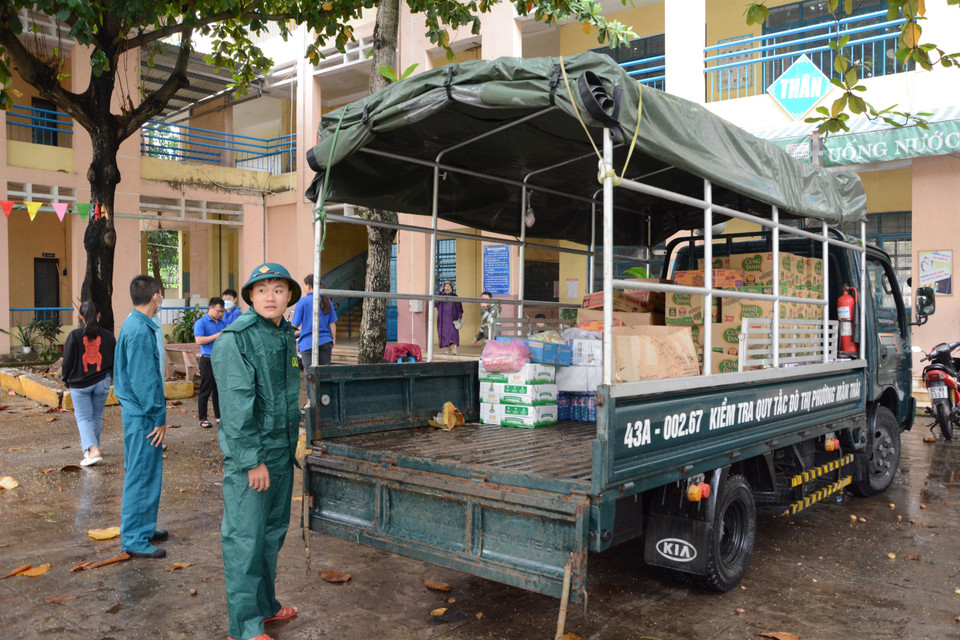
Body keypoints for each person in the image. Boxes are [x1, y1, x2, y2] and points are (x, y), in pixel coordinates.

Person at [212, 262, 303, 640]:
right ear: (250, 296)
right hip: (254, 460)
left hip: (281, 454)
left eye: (278, 289)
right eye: (262, 289)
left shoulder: (285, 335)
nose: (270, 296)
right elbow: (235, 409)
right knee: (245, 540)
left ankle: (265, 607)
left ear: (289, 298)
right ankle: (244, 626)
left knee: (270, 536)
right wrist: (252, 461)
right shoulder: (237, 338)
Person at [113, 275, 168, 559]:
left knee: (146, 472)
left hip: (139, 413)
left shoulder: (136, 324)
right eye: (162, 295)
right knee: (141, 473)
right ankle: (134, 537)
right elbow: (145, 380)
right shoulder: (138, 330)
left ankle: (143, 527)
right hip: (143, 415)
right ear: (156, 296)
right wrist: (159, 417)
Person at [62, 301, 116, 467]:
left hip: (80, 383)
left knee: (83, 417)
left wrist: (66, 380)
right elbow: (114, 359)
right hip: (102, 381)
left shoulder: (75, 335)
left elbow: (68, 361)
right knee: (96, 416)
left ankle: (92, 450)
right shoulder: (108, 336)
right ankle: (94, 447)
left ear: (81, 317)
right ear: (99, 315)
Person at [291, 274, 337, 409]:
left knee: (309, 374)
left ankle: (311, 402)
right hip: (324, 342)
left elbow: (294, 326)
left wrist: (296, 342)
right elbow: (332, 324)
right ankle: (325, 400)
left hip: (307, 344)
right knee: (324, 372)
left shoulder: (302, 302)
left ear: (308, 286)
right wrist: (333, 339)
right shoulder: (327, 301)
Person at [194, 297, 226, 429]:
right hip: (208, 359)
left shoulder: (222, 323)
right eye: (218, 311)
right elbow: (199, 340)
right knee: (205, 389)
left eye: (222, 312)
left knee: (218, 390)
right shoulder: (201, 323)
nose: (220, 314)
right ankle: (203, 418)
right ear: (211, 308)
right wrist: (216, 336)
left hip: (221, 359)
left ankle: (219, 416)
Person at [435, 280, 463, 355]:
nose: (447, 288)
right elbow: (435, 303)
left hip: (453, 318)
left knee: (454, 334)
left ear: (451, 287)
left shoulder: (455, 297)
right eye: (445, 286)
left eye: (448, 286)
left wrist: (460, 316)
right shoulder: (441, 296)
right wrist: (439, 293)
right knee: (445, 334)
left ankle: (455, 349)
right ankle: (448, 349)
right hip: (443, 319)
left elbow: (459, 307)